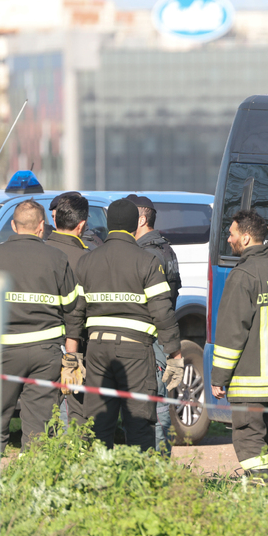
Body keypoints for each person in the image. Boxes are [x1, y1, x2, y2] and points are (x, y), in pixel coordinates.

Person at [0, 199, 83, 475]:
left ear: (13, 226)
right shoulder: (57, 258)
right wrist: (71, 356)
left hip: (2, 354)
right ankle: (36, 481)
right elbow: (74, 309)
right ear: (42, 227)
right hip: (45, 354)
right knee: (41, 422)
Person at [73, 199, 183, 451]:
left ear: (109, 225)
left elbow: (75, 315)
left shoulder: (87, 261)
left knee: (99, 425)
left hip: (97, 352)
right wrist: (175, 355)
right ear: (135, 225)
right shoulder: (147, 261)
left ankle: (100, 484)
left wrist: (72, 355)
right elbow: (163, 313)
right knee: (139, 424)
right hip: (135, 353)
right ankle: (141, 484)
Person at [211, 209, 268, 484]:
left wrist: (218, 378)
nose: (228, 239)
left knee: (249, 433)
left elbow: (231, 333)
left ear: (246, 238)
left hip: (251, 379)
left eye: (232, 234)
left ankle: (259, 484)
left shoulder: (243, 276)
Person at [126, 194, 183, 454]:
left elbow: (156, 305)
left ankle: (157, 466)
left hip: (152, 341)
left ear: (141, 218)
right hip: (159, 338)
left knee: (157, 407)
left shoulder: (147, 255)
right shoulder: (165, 249)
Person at [44, 192, 93, 429]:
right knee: (76, 411)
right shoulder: (85, 260)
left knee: (42, 414)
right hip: (74, 347)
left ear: (54, 220)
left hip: (38, 346)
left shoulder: (38, 252)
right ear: (82, 225)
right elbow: (81, 313)